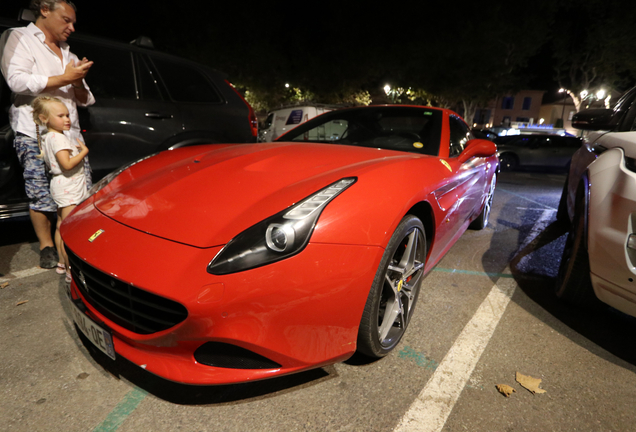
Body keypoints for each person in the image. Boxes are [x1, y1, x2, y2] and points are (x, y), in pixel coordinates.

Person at [0, 0, 94, 268]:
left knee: (77, 193)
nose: (71, 27)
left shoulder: (69, 54)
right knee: (40, 193)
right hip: (34, 134)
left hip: (70, 134)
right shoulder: (19, 38)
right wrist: (65, 79)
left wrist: (76, 80)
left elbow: (87, 99)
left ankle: (75, 243)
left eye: (73, 22)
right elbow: (16, 80)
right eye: (66, 20)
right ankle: (47, 246)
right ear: (44, 10)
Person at [32, 95, 88, 282]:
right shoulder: (59, 139)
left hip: (59, 184)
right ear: (44, 118)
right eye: (60, 116)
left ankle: (62, 264)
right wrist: (84, 152)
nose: (66, 119)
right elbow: (67, 164)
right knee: (69, 229)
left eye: (67, 115)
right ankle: (71, 271)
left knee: (60, 226)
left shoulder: (49, 136)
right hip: (69, 186)